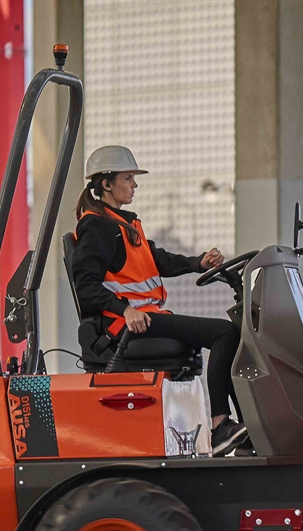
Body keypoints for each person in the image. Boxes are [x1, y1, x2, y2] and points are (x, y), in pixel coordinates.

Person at [72, 145, 248, 456]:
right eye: (128, 178)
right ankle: (220, 423)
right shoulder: (96, 226)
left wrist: (198, 263)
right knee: (225, 333)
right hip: (126, 325)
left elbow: (158, 260)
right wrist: (124, 310)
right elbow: (85, 286)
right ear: (106, 184)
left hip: (146, 316)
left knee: (229, 334)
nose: (134, 185)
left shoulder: (124, 224)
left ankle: (240, 426)